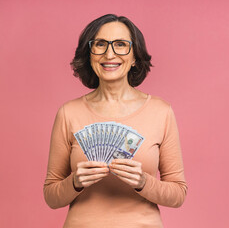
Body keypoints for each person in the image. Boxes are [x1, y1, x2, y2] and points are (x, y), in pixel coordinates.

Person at [43, 14, 187, 227]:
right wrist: (74, 182)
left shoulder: (161, 111)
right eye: (100, 44)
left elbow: (178, 194)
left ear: (135, 56)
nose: (109, 53)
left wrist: (143, 182)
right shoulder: (68, 113)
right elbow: (51, 197)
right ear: (89, 54)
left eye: (121, 44)